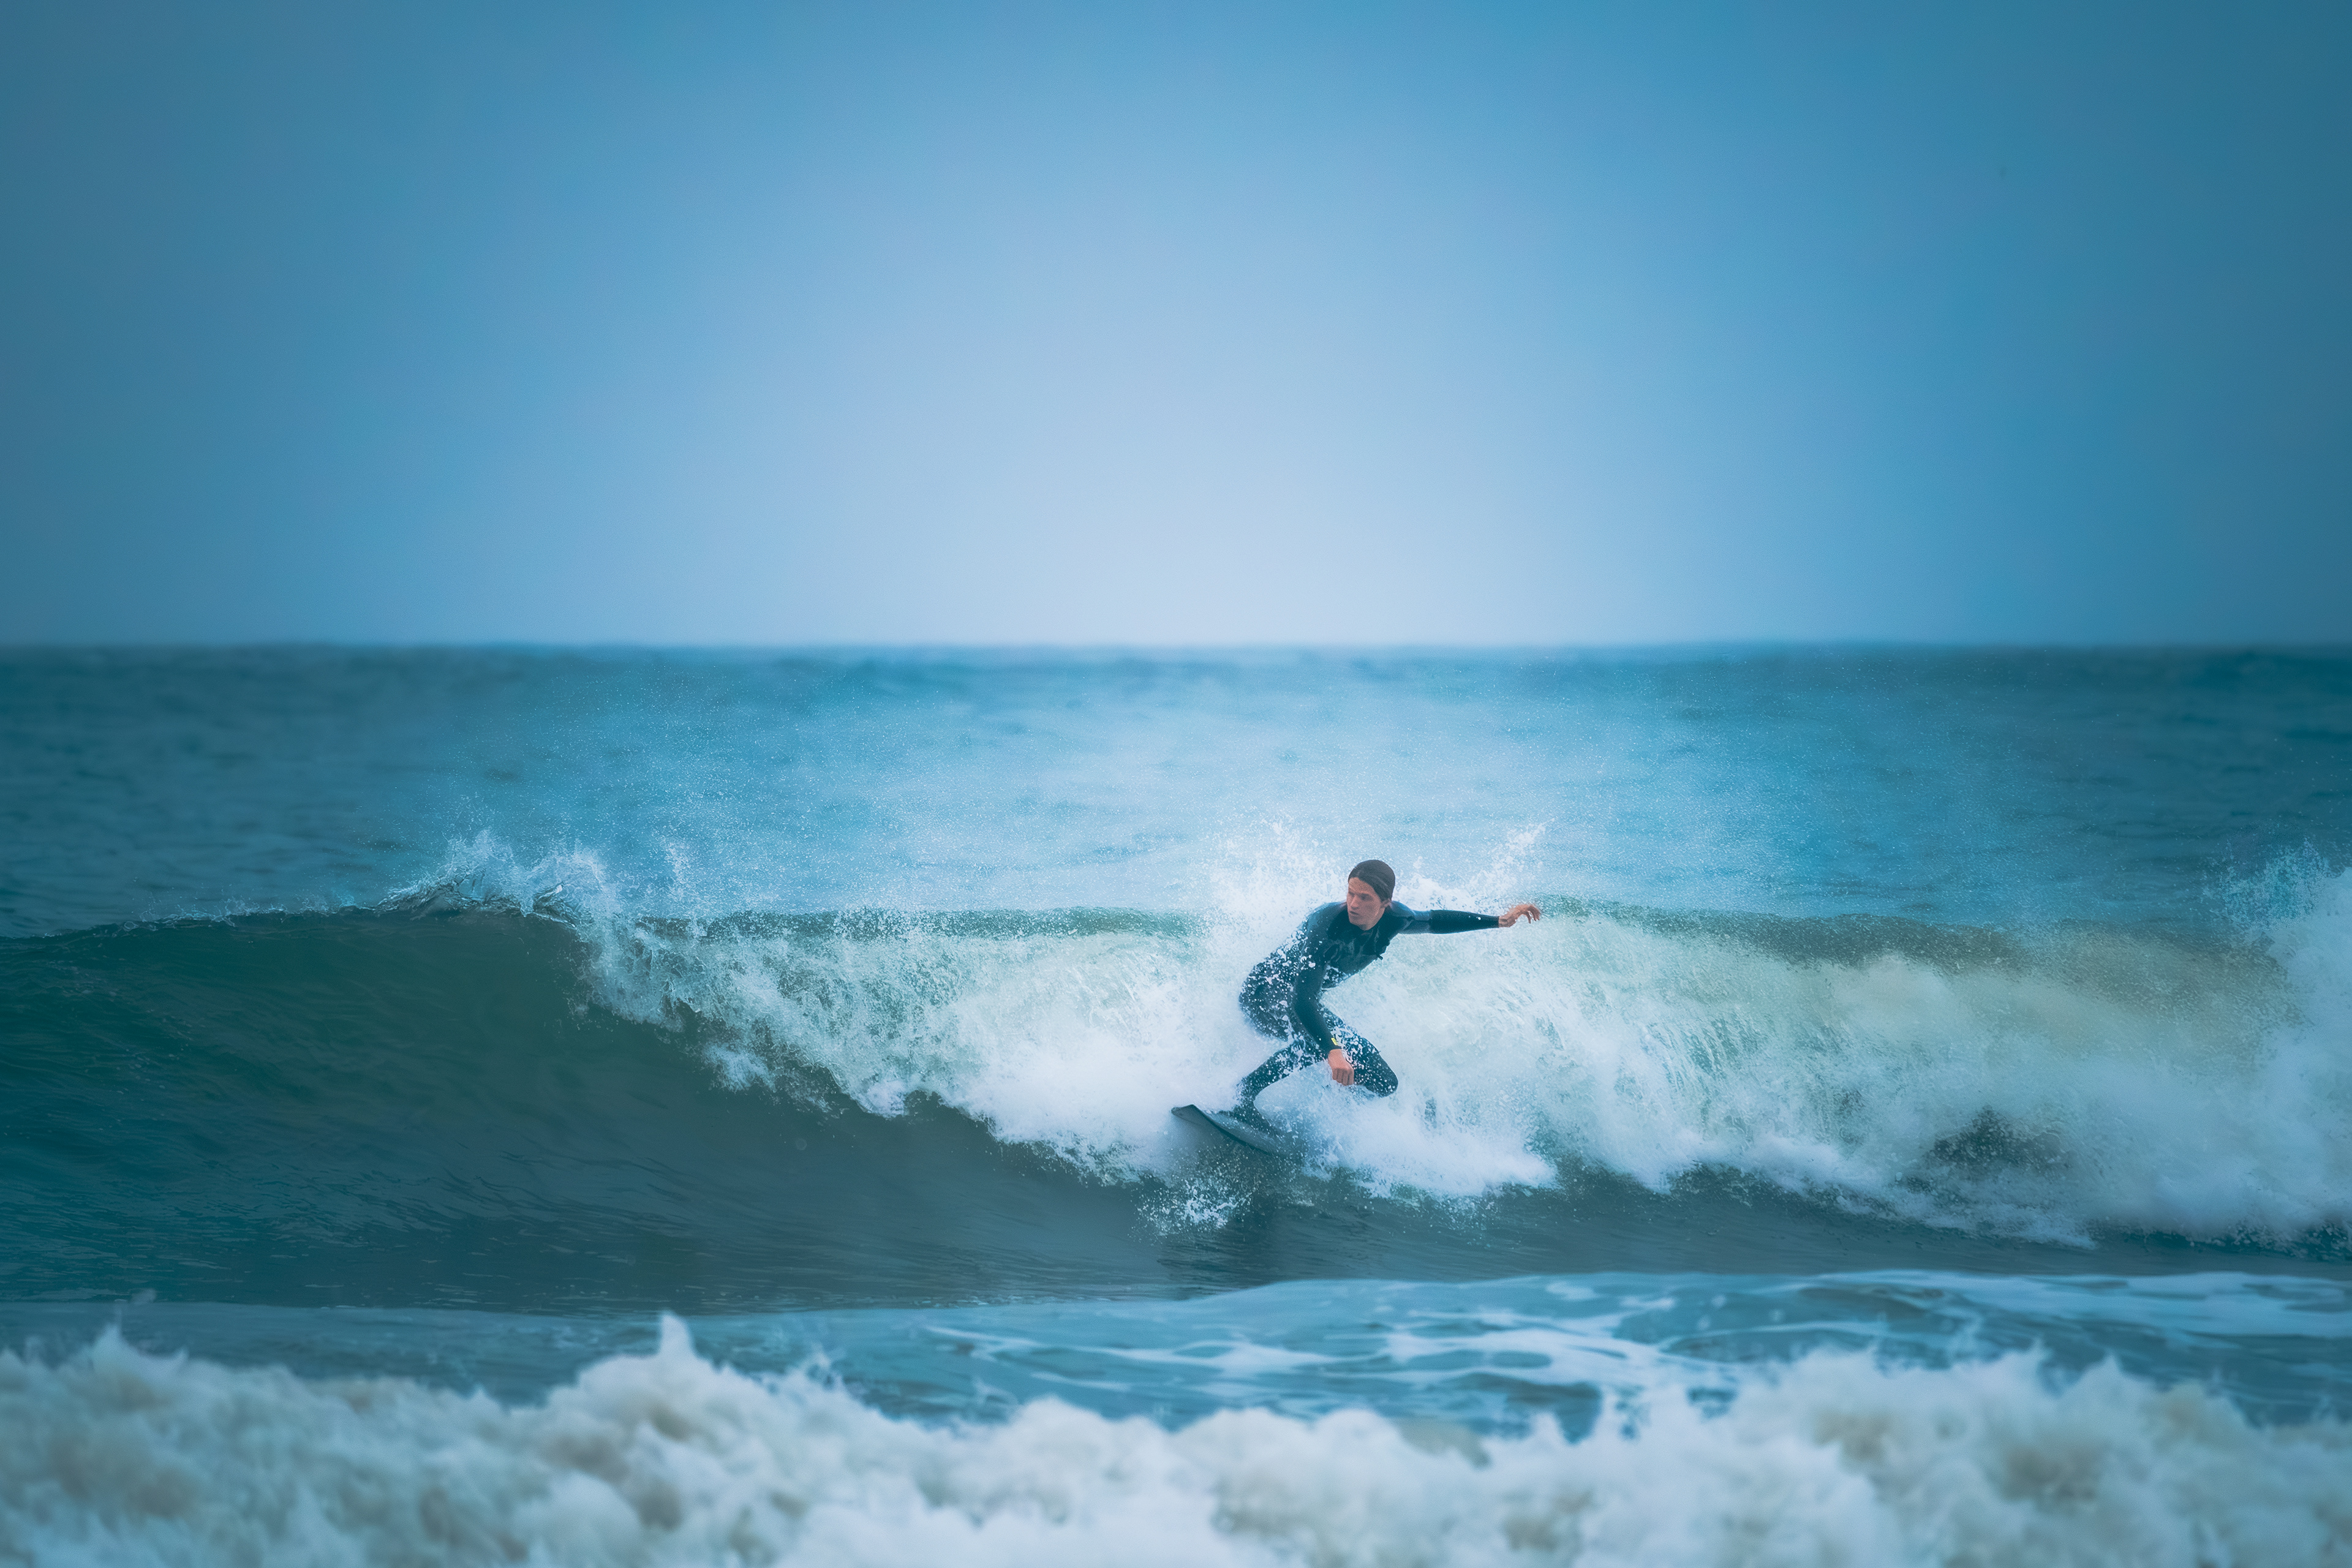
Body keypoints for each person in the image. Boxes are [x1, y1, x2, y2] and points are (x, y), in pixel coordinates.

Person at [1231, 858, 1539, 1116]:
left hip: (1302, 1003)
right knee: (1324, 1043)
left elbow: (1437, 921)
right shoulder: (1326, 927)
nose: (1353, 904)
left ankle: (1332, 1111)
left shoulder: (1397, 919)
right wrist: (1333, 1051)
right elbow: (1303, 1001)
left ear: (1385, 904)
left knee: (1384, 1081)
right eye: (1350, 893)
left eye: (1364, 898)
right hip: (1265, 994)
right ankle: (1241, 1097)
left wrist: (1498, 921)